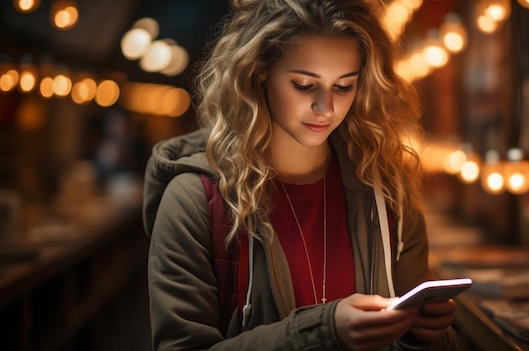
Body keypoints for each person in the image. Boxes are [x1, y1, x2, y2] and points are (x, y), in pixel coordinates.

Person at [143, 0, 459, 350]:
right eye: (304, 85)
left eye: (343, 86)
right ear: (259, 70)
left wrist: (421, 335)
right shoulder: (194, 201)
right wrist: (320, 331)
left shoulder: (387, 190)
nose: (326, 108)